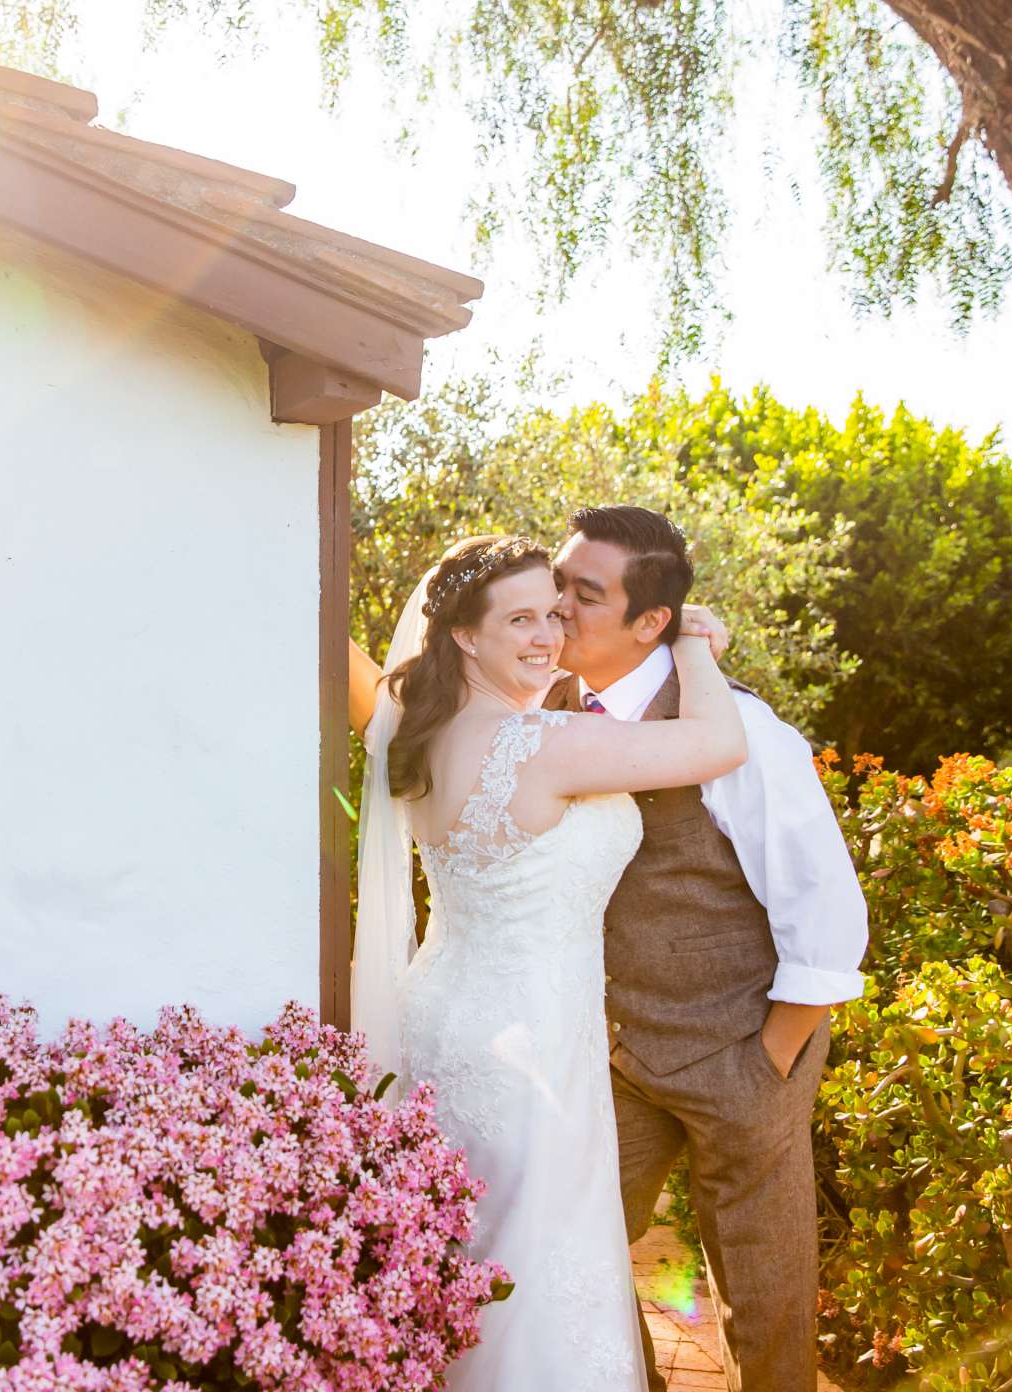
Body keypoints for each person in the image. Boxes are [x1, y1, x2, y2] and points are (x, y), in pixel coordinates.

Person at [353, 532, 749, 1391]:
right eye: (521, 618)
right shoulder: (543, 744)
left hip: (448, 1025)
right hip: (530, 1043)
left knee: (474, 1267)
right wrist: (691, 641)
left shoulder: (427, 738)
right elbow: (719, 744)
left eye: (556, 614)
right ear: (463, 634)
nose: (548, 634)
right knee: (531, 1271)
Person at [550, 505, 868, 1392]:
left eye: (585, 592)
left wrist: (767, 1060)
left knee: (765, 1301)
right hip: (622, 1053)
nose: (560, 606)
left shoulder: (743, 731)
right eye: (558, 582)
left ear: (650, 622)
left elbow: (828, 911)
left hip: (741, 1049)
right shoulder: (547, 711)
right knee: (571, 1254)